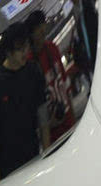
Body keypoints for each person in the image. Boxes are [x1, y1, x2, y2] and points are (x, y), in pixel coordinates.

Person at [0, 21, 50, 184]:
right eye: (20, 49)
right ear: (8, 52)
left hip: (34, 155)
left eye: (27, 47)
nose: (25, 53)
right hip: (8, 168)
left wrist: (48, 156)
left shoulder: (33, 71)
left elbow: (43, 119)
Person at [26, 10, 76, 143]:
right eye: (38, 28)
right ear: (31, 34)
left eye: (43, 25)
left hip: (68, 119)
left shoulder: (52, 48)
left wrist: (73, 115)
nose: (42, 30)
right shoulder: (29, 63)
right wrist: (47, 125)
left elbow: (64, 82)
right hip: (53, 133)